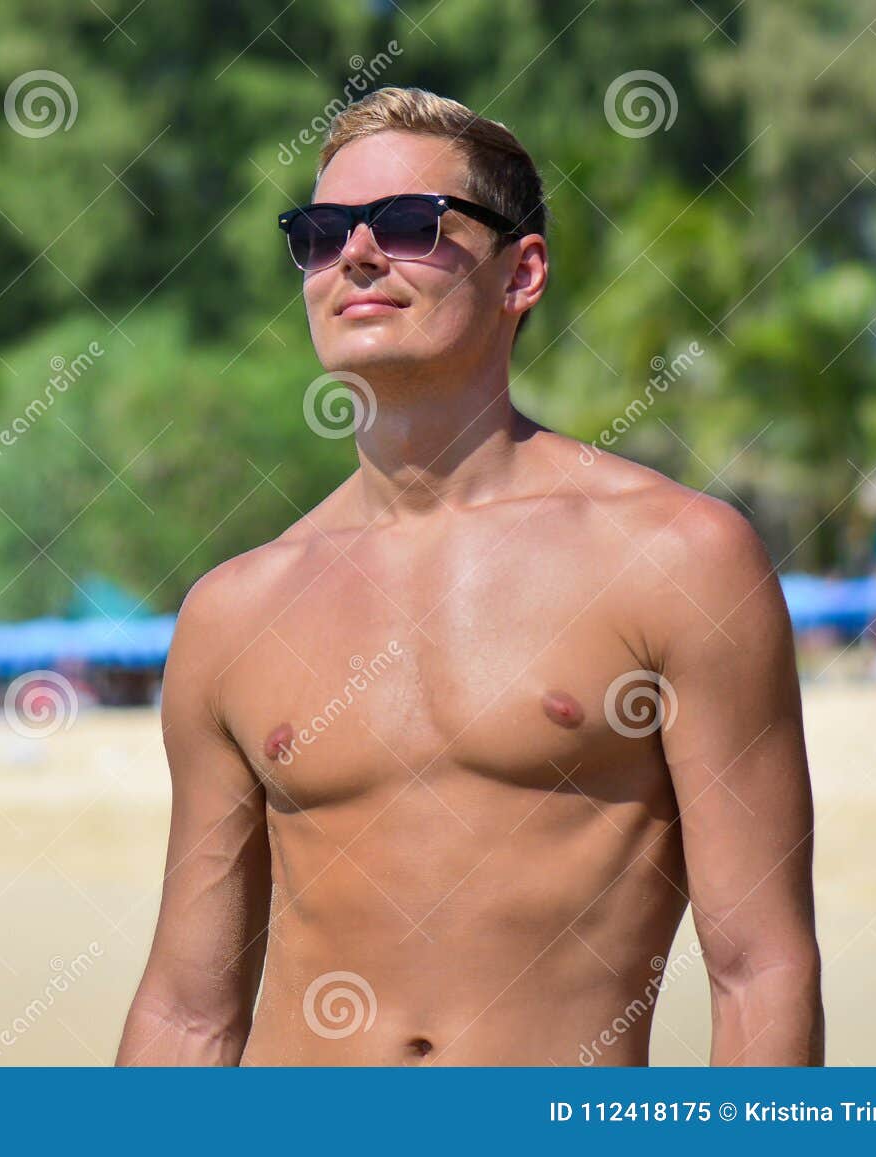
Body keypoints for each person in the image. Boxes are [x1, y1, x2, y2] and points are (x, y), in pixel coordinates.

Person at [116, 87, 822, 1066]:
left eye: (407, 224)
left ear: (520, 272)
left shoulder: (676, 557)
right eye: (319, 234)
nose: (355, 255)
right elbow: (187, 1011)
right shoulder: (233, 612)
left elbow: (761, 970)